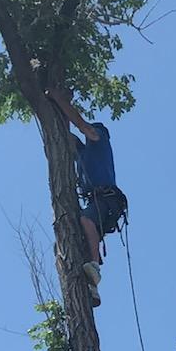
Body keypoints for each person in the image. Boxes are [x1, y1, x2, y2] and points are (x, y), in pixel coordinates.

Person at [48, 86, 128, 307]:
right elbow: (63, 134)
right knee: (82, 236)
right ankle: (92, 287)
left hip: (107, 200)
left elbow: (81, 125)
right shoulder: (84, 154)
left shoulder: (99, 138)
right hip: (98, 202)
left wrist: (58, 97)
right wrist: (52, 108)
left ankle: (93, 264)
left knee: (85, 220)